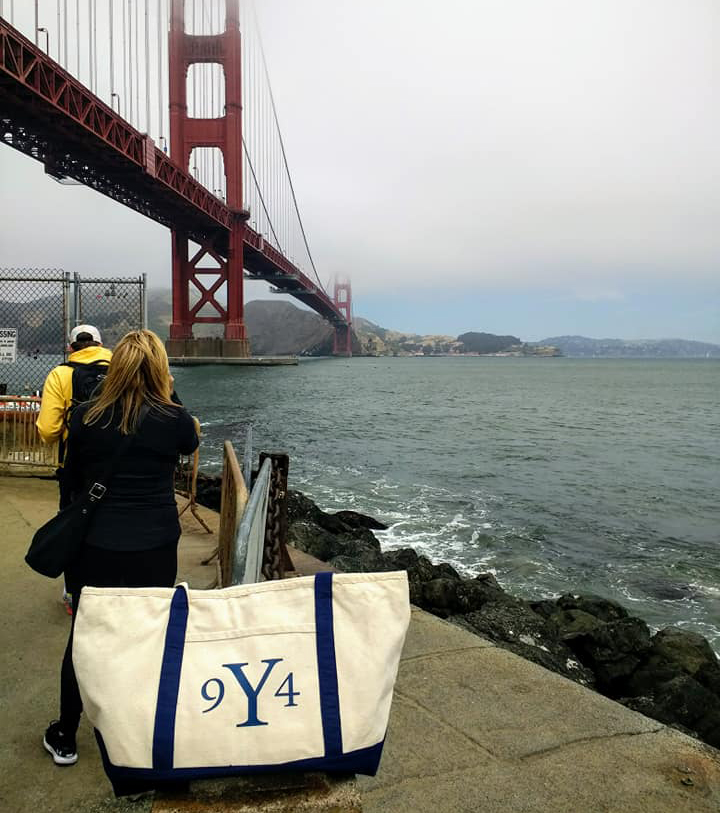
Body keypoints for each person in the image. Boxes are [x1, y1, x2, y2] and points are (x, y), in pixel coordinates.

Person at [43, 329, 198, 768]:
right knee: (148, 634)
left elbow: (71, 480)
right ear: (160, 371)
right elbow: (190, 441)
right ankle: (140, 735)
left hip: (97, 544)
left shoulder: (86, 417)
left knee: (86, 638)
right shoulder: (174, 419)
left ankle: (66, 736)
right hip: (156, 543)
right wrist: (167, 391)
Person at [36, 324, 113, 613]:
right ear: (101, 344)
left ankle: (75, 595)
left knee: (74, 524)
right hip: (119, 462)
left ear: (71, 348)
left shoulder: (61, 373)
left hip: (76, 466)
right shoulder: (122, 369)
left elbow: (48, 429)